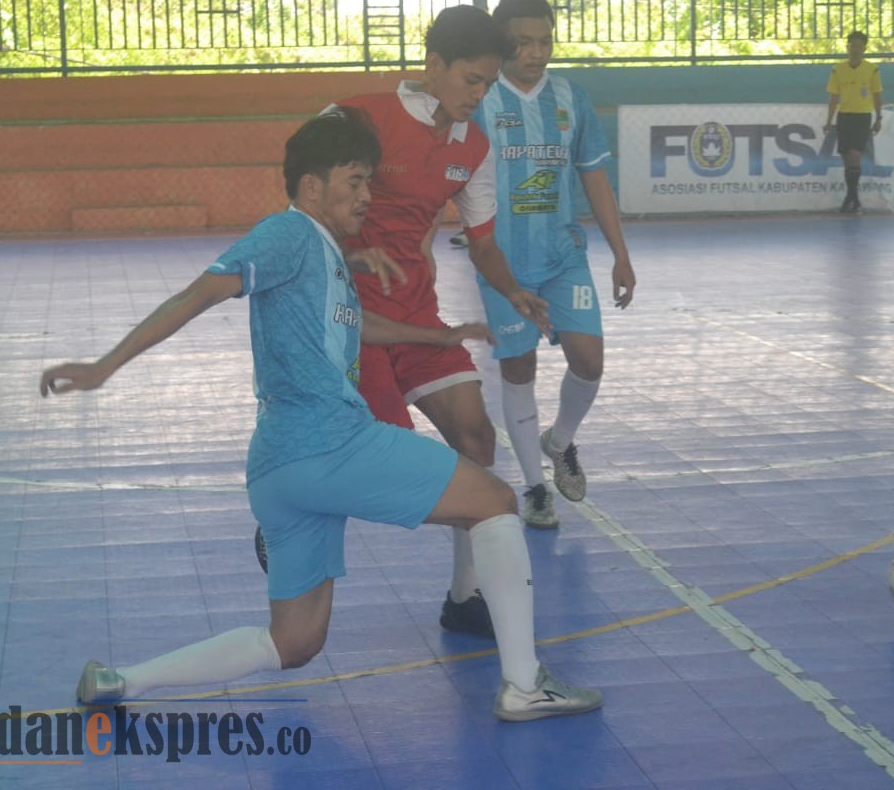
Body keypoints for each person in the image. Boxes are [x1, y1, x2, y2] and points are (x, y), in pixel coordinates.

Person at [39, 110, 602, 722]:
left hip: (282, 468)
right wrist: (105, 365)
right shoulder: (288, 236)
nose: (367, 196)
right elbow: (200, 292)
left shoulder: (323, 251)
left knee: (293, 642)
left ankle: (121, 681)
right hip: (331, 442)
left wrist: (441, 338)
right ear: (312, 186)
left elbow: (361, 327)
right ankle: (524, 684)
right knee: (494, 502)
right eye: (355, 182)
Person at [329, 5, 552, 639]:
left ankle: (464, 597)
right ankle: (295, 515)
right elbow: (300, 207)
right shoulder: (356, 117)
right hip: (352, 321)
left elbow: (481, 242)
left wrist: (514, 292)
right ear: (433, 67)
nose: (479, 96)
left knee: (475, 437)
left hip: (419, 320)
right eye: (471, 82)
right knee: (383, 459)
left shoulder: (475, 147)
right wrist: (345, 253)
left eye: (488, 83)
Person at [467, 0, 635, 530]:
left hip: (563, 257)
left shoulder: (570, 97)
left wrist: (621, 255)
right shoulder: (480, 101)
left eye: (545, 41)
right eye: (523, 43)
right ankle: (537, 488)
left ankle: (559, 442)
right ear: (500, 44)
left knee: (589, 360)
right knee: (519, 366)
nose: (536, 53)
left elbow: (594, 176)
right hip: (502, 263)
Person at [824, 31, 884, 214]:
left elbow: (877, 95)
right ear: (847, 47)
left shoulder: (872, 70)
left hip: (862, 117)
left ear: (864, 48)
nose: (855, 50)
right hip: (844, 116)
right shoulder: (838, 70)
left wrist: (878, 118)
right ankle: (853, 198)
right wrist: (829, 121)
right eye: (852, 46)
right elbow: (834, 97)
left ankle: (852, 198)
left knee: (855, 156)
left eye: (859, 46)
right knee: (846, 159)